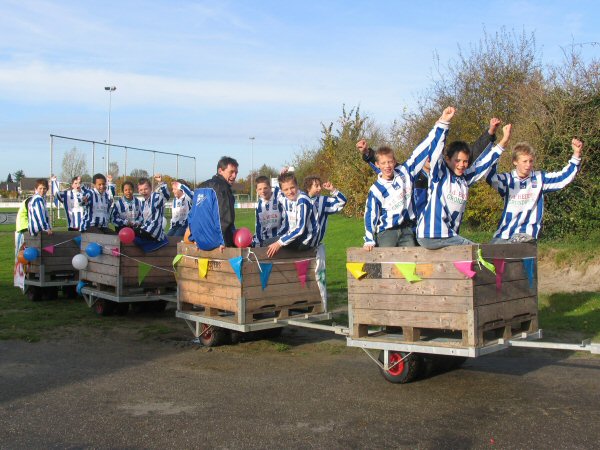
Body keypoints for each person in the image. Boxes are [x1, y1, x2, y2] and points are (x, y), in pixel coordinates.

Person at [358, 117, 502, 223]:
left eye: (431, 155)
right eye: (426, 156)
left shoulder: (444, 176)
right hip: (414, 228)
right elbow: (386, 168)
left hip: (438, 229)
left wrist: (490, 133)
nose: (428, 158)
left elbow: (470, 155)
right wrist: (367, 153)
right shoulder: (410, 176)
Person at [359, 107, 455, 251]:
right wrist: (369, 239)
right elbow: (371, 214)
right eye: (383, 163)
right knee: (387, 267)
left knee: (410, 266)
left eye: (390, 162)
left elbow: (423, 148)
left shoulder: (405, 172)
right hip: (387, 232)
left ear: (394, 161)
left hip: (407, 230)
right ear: (377, 165)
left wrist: (442, 123)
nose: (387, 166)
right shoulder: (376, 189)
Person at [416, 124, 513, 249]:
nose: (461, 165)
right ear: (447, 159)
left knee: (469, 258)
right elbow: (435, 150)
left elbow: (485, 163)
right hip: (432, 234)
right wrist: (444, 123)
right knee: (478, 252)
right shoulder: (440, 175)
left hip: (449, 236)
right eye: (457, 160)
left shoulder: (464, 179)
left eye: (465, 161)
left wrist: (504, 141)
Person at [487, 138, 583, 244]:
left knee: (518, 258)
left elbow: (563, 177)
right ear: (515, 162)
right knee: (485, 257)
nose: (528, 165)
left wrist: (576, 154)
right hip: (503, 234)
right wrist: (499, 146)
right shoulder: (507, 180)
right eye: (524, 161)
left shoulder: (539, 178)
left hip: (526, 236)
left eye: (531, 161)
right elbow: (490, 177)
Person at [266, 172, 317, 258]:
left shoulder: (302, 200)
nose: (290, 192)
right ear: (282, 190)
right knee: (268, 243)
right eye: (286, 189)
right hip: (297, 238)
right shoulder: (287, 198)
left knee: (267, 244)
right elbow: (277, 192)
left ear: (297, 186)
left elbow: (300, 229)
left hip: (305, 241)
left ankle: (276, 269)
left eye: (292, 187)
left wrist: (279, 243)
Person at [198, 156, 239, 248]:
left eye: (236, 173)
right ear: (220, 171)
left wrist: (194, 238)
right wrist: (223, 241)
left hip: (200, 241)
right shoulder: (223, 188)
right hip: (218, 243)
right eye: (231, 172)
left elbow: (194, 216)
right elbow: (224, 218)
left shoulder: (200, 186)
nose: (234, 176)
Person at [303, 176, 347, 246]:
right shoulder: (300, 200)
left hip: (316, 246)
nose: (320, 188)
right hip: (300, 246)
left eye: (320, 185)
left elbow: (342, 202)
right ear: (308, 188)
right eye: (316, 186)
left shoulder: (323, 201)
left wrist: (333, 190)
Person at [136, 175, 170, 241]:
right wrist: (136, 223)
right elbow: (143, 219)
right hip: (146, 229)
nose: (143, 191)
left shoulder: (155, 197)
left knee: (133, 233)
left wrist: (161, 183)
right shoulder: (143, 203)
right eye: (141, 190)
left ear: (151, 188)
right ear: (139, 191)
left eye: (146, 189)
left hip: (153, 232)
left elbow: (166, 196)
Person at [253, 175, 283, 247]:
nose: (263, 191)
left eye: (265, 188)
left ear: (270, 187)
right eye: (260, 189)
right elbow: (258, 226)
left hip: (280, 239)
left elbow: (283, 187)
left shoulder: (279, 198)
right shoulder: (258, 206)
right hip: (265, 240)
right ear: (256, 190)